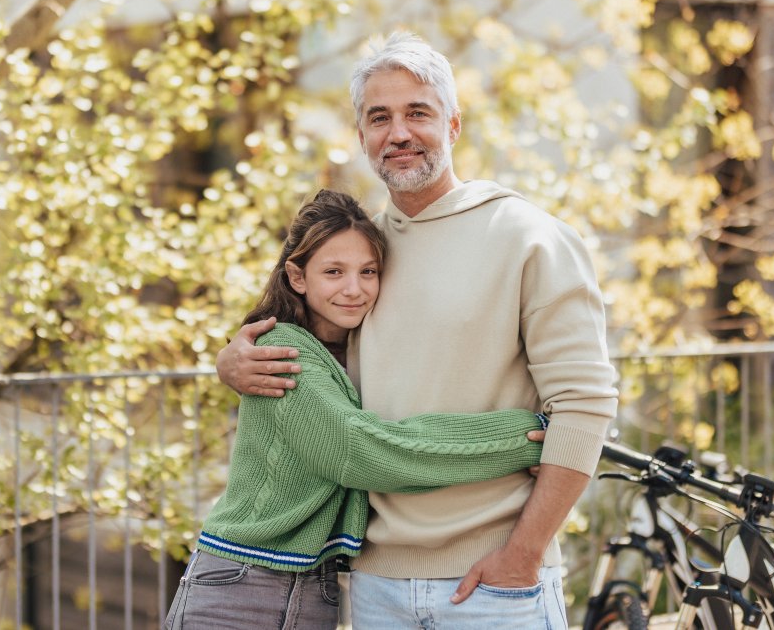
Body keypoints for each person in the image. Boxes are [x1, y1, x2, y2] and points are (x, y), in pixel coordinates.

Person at [216, 32, 619, 628]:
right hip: (376, 585)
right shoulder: (357, 253)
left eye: (417, 113)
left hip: (494, 583)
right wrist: (230, 363)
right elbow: (298, 345)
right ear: (361, 138)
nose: (398, 133)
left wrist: (524, 554)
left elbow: (585, 406)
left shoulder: (528, 237)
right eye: (379, 118)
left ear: (453, 126)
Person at [165, 189, 550, 629]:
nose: (354, 289)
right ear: (297, 276)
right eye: (333, 271)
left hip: (318, 587)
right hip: (242, 585)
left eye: (368, 271)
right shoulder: (282, 350)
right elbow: (363, 452)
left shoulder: (361, 352)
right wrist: (525, 438)